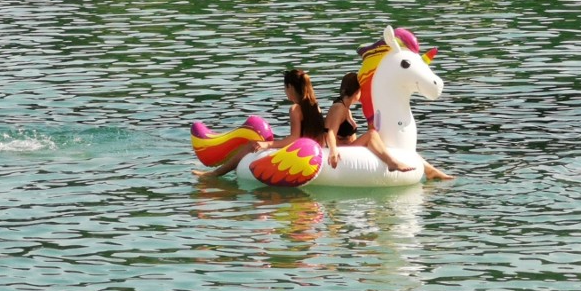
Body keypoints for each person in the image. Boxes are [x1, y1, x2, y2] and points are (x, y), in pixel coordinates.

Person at [193, 69, 339, 178]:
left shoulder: (295, 109)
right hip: (317, 150)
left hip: (302, 154)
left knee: (252, 145)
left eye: (285, 88)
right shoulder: (315, 106)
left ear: (289, 87)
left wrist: (267, 145)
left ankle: (216, 173)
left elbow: (294, 139)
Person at [327, 72, 452, 180]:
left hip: (350, 149)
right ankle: (391, 163)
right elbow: (329, 131)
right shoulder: (338, 108)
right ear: (358, 91)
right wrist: (333, 150)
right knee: (372, 135)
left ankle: (429, 170)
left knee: (386, 140)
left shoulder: (346, 109)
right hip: (343, 151)